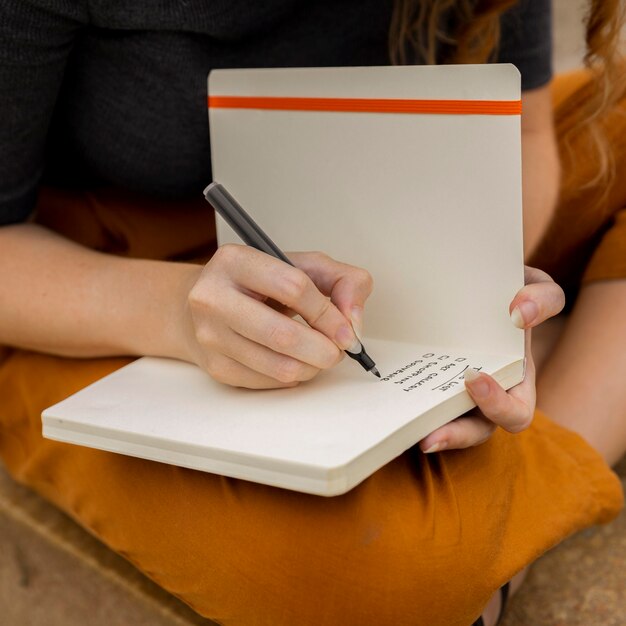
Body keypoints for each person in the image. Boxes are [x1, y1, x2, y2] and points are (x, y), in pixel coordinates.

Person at [0, 1, 624, 624]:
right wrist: (175, 315)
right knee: (372, 572)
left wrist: (475, 284)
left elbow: (524, 131)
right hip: (93, 277)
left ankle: (511, 513)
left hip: (390, 208)